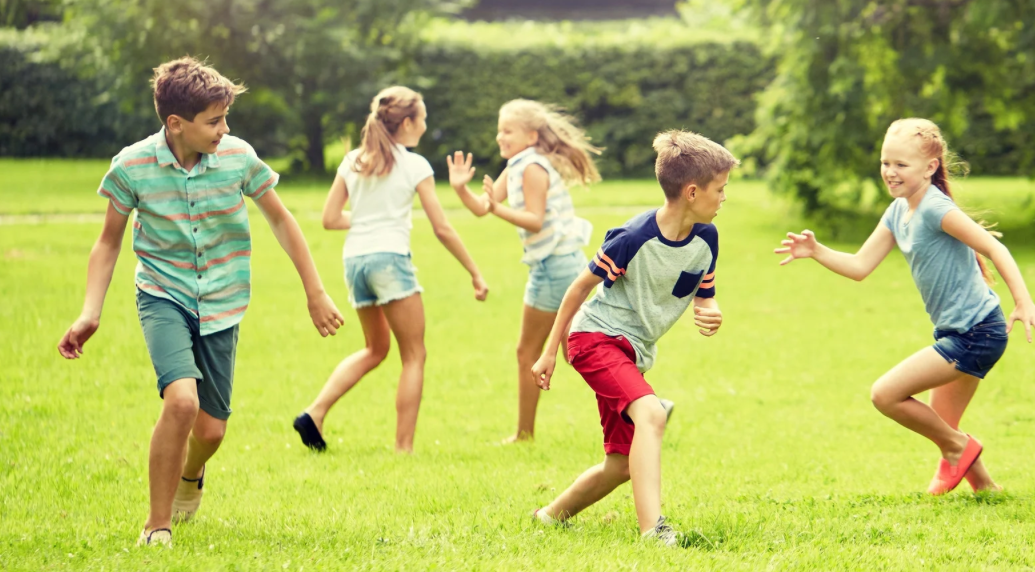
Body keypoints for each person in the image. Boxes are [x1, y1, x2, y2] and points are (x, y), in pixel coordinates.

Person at [56, 57, 345, 547]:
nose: (224, 129)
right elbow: (108, 242)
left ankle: (192, 475)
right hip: (163, 295)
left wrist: (314, 291)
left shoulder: (236, 157)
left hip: (223, 299)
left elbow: (280, 219)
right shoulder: (132, 166)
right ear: (176, 124)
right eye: (214, 121)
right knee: (182, 402)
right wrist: (90, 311)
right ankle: (157, 523)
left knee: (211, 432)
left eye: (225, 118)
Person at [774, 117, 1035, 495]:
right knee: (942, 423)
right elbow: (860, 267)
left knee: (886, 394)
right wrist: (817, 251)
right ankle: (986, 488)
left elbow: (994, 247)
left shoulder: (936, 209)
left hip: (977, 333)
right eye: (885, 163)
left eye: (900, 165)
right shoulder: (898, 211)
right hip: (958, 331)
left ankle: (960, 448)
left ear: (930, 167)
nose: (890, 172)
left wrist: (1023, 302)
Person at [529, 130, 737, 546]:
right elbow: (577, 289)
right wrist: (549, 352)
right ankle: (653, 531)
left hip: (634, 352)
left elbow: (704, 295)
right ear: (692, 191)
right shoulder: (632, 238)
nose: (724, 198)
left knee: (621, 463)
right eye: (720, 189)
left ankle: (549, 517)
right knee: (652, 415)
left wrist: (709, 311)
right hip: (594, 339)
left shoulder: (706, 238)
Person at [293, 87, 488, 454]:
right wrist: (475, 272)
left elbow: (330, 219)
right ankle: (403, 448)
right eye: (423, 119)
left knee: (375, 349)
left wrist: (368, 218)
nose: (426, 127)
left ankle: (314, 413)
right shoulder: (414, 165)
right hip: (390, 260)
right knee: (414, 355)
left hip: (356, 262)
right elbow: (442, 227)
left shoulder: (353, 159)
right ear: (408, 122)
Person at [446, 99, 600, 442]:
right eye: (499, 129)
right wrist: (460, 188)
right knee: (578, 351)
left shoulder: (532, 168)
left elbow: (534, 219)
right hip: (558, 265)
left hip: (555, 268)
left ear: (531, 136)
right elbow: (483, 208)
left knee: (543, 352)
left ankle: (525, 434)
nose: (500, 136)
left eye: (508, 130)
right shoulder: (517, 164)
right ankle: (645, 407)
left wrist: (499, 209)